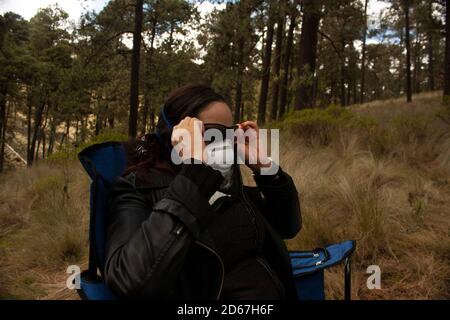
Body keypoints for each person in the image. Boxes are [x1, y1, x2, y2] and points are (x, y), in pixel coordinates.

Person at [104, 84, 302, 299]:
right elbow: (130, 279)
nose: (223, 144)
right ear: (176, 135)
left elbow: (287, 226)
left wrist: (266, 169)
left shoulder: (226, 180)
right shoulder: (140, 188)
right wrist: (194, 175)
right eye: (211, 134)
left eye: (229, 134)